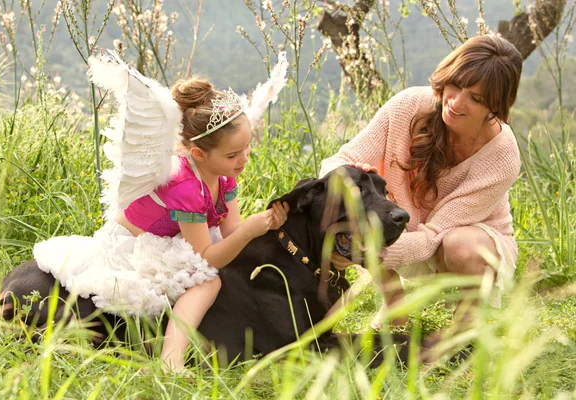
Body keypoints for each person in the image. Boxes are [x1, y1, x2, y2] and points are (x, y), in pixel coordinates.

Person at [33, 54, 290, 374]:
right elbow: (207, 257)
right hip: (137, 243)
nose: (243, 160)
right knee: (206, 283)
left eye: (247, 148)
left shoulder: (223, 175)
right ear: (198, 153)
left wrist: (261, 229)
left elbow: (231, 230)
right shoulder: (185, 187)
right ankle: (171, 359)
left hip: (177, 237)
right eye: (233, 154)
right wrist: (249, 232)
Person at [320, 34, 523, 330]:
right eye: (456, 85)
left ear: (495, 106)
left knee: (460, 246)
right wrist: (351, 178)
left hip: (466, 242)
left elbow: (434, 236)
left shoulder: (502, 155)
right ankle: (394, 307)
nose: (456, 102)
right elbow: (336, 162)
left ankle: (465, 328)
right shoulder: (409, 106)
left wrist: (366, 252)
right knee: (351, 197)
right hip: (402, 226)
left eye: (476, 99)